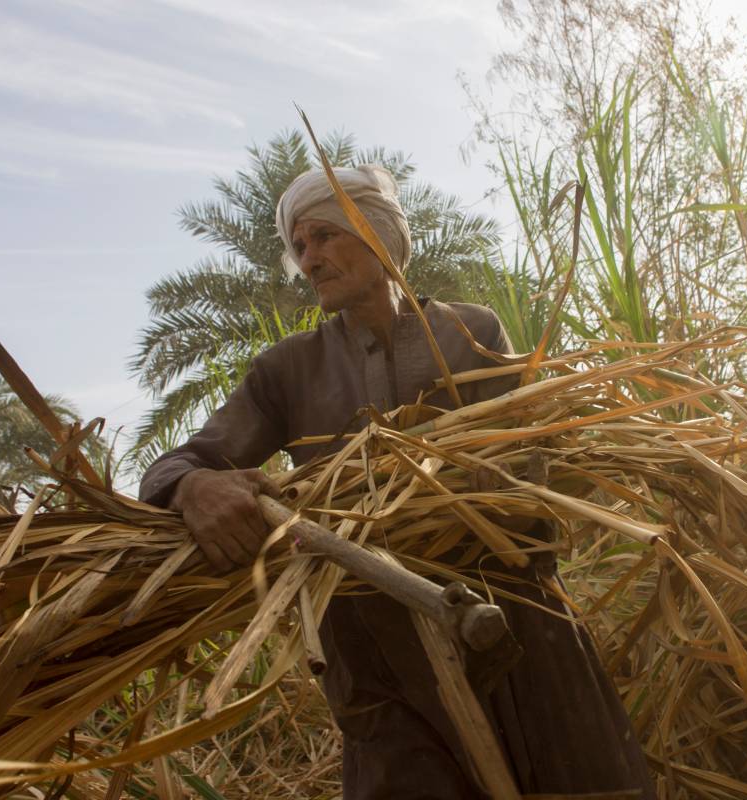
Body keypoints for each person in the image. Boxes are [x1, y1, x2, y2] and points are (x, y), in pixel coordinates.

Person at [140, 164, 655, 799]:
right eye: (300, 246)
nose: (309, 259)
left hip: (515, 622)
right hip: (374, 650)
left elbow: (531, 474)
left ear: (379, 233)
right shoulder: (287, 371)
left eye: (325, 236)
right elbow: (176, 465)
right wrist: (192, 489)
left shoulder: (471, 333)